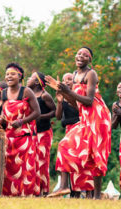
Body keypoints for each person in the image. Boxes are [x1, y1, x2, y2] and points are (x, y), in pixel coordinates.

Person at [46, 47, 111, 199]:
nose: (81, 56)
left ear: (90, 60)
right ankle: (63, 186)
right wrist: (62, 93)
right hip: (85, 118)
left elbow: (89, 100)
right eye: (79, 53)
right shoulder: (74, 75)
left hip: (98, 117)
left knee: (96, 154)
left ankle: (96, 196)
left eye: (85, 55)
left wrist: (68, 92)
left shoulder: (91, 74)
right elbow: (76, 105)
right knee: (64, 144)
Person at [0, 63, 40, 196]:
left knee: (25, 166)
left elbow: (37, 112)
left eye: (13, 74)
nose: (9, 76)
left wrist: (22, 121)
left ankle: (27, 194)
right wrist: (1, 121)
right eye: (7, 74)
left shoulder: (26, 91)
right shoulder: (3, 93)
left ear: (20, 76)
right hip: (8, 136)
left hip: (24, 135)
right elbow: (5, 114)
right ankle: (9, 194)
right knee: (9, 167)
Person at [55, 73, 93, 198]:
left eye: (70, 79)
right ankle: (74, 193)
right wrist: (60, 102)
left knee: (82, 160)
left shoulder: (78, 94)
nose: (67, 82)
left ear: (75, 81)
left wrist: (70, 96)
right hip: (68, 130)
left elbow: (83, 110)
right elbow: (58, 117)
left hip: (80, 128)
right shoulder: (62, 96)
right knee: (71, 161)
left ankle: (87, 191)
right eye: (65, 80)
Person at [27, 71, 55, 196]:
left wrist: (41, 116)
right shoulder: (28, 95)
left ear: (37, 81)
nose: (28, 79)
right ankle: (34, 189)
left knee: (42, 162)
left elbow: (54, 111)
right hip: (32, 132)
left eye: (31, 78)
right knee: (33, 161)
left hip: (44, 132)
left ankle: (44, 190)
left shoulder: (44, 96)